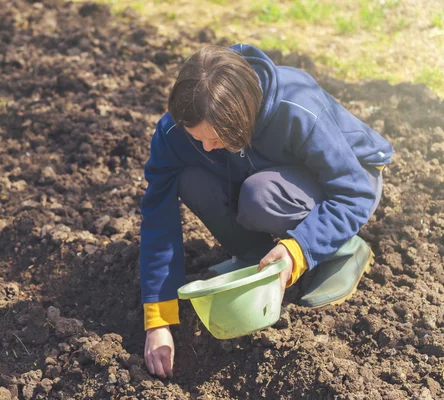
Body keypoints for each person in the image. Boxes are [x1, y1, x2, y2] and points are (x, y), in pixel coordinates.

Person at [139, 44, 394, 378]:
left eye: (216, 137)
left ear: (242, 116)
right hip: (259, 170)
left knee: (260, 196)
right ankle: (253, 256)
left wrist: (298, 249)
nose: (205, 147)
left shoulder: (296, 106)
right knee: (190, 178)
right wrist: (158, 320)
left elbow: (353, 190)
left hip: (348, 177)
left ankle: (343, 249)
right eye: (196, 137)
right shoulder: (174, 132)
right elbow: (158, 217)